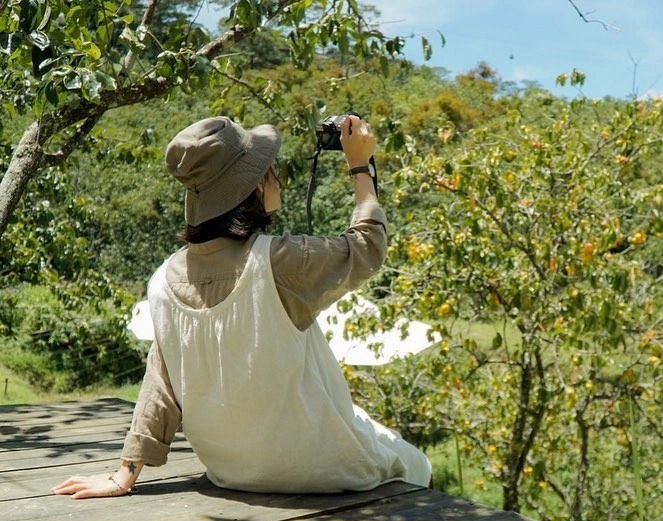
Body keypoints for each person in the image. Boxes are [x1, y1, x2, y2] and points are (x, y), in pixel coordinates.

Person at [53, 115, 431, 499]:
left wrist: (124, 474)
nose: (275, 175)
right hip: (323, 466)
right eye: (270, 169)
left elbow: (160, 386)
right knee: (416, 463)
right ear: (255, 186)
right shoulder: (281, 261)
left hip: (230, 472)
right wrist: (360, 167)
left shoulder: (163, 280)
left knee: (371, 427)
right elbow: (368, 248)